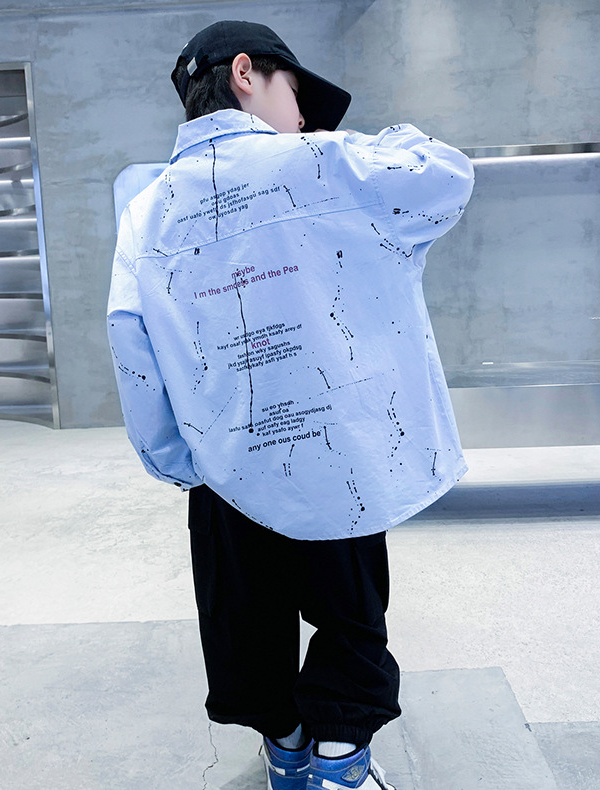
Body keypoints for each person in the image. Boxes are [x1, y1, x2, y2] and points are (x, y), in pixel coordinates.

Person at [107, 20, 474, 790]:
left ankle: (287, 751)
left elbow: (131, 344)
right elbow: (444, 175)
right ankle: (341, 764)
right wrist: (367, 142)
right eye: (296, 94)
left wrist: (180, 464)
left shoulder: (147, 208)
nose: (303, 116)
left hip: (223, 462)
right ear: (246, 73)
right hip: (335, 454)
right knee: (348, 612)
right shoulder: (320, 163)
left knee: (246, 623)